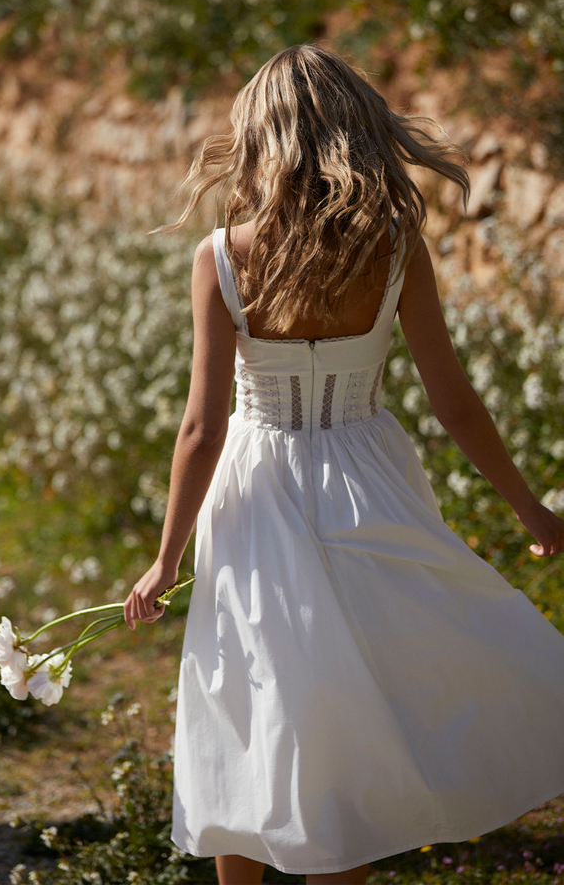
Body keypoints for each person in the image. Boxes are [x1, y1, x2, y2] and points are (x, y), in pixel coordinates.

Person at [124, 44, 564, 885]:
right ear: (355, 129)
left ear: (260, 137)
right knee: (353, 704)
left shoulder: (222, 255)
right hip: (367, 476)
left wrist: (165, 556)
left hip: (256, 488)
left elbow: (201, 428)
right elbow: (455, 402)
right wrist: (527, 508)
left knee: (253, 695)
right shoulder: (395, 247)